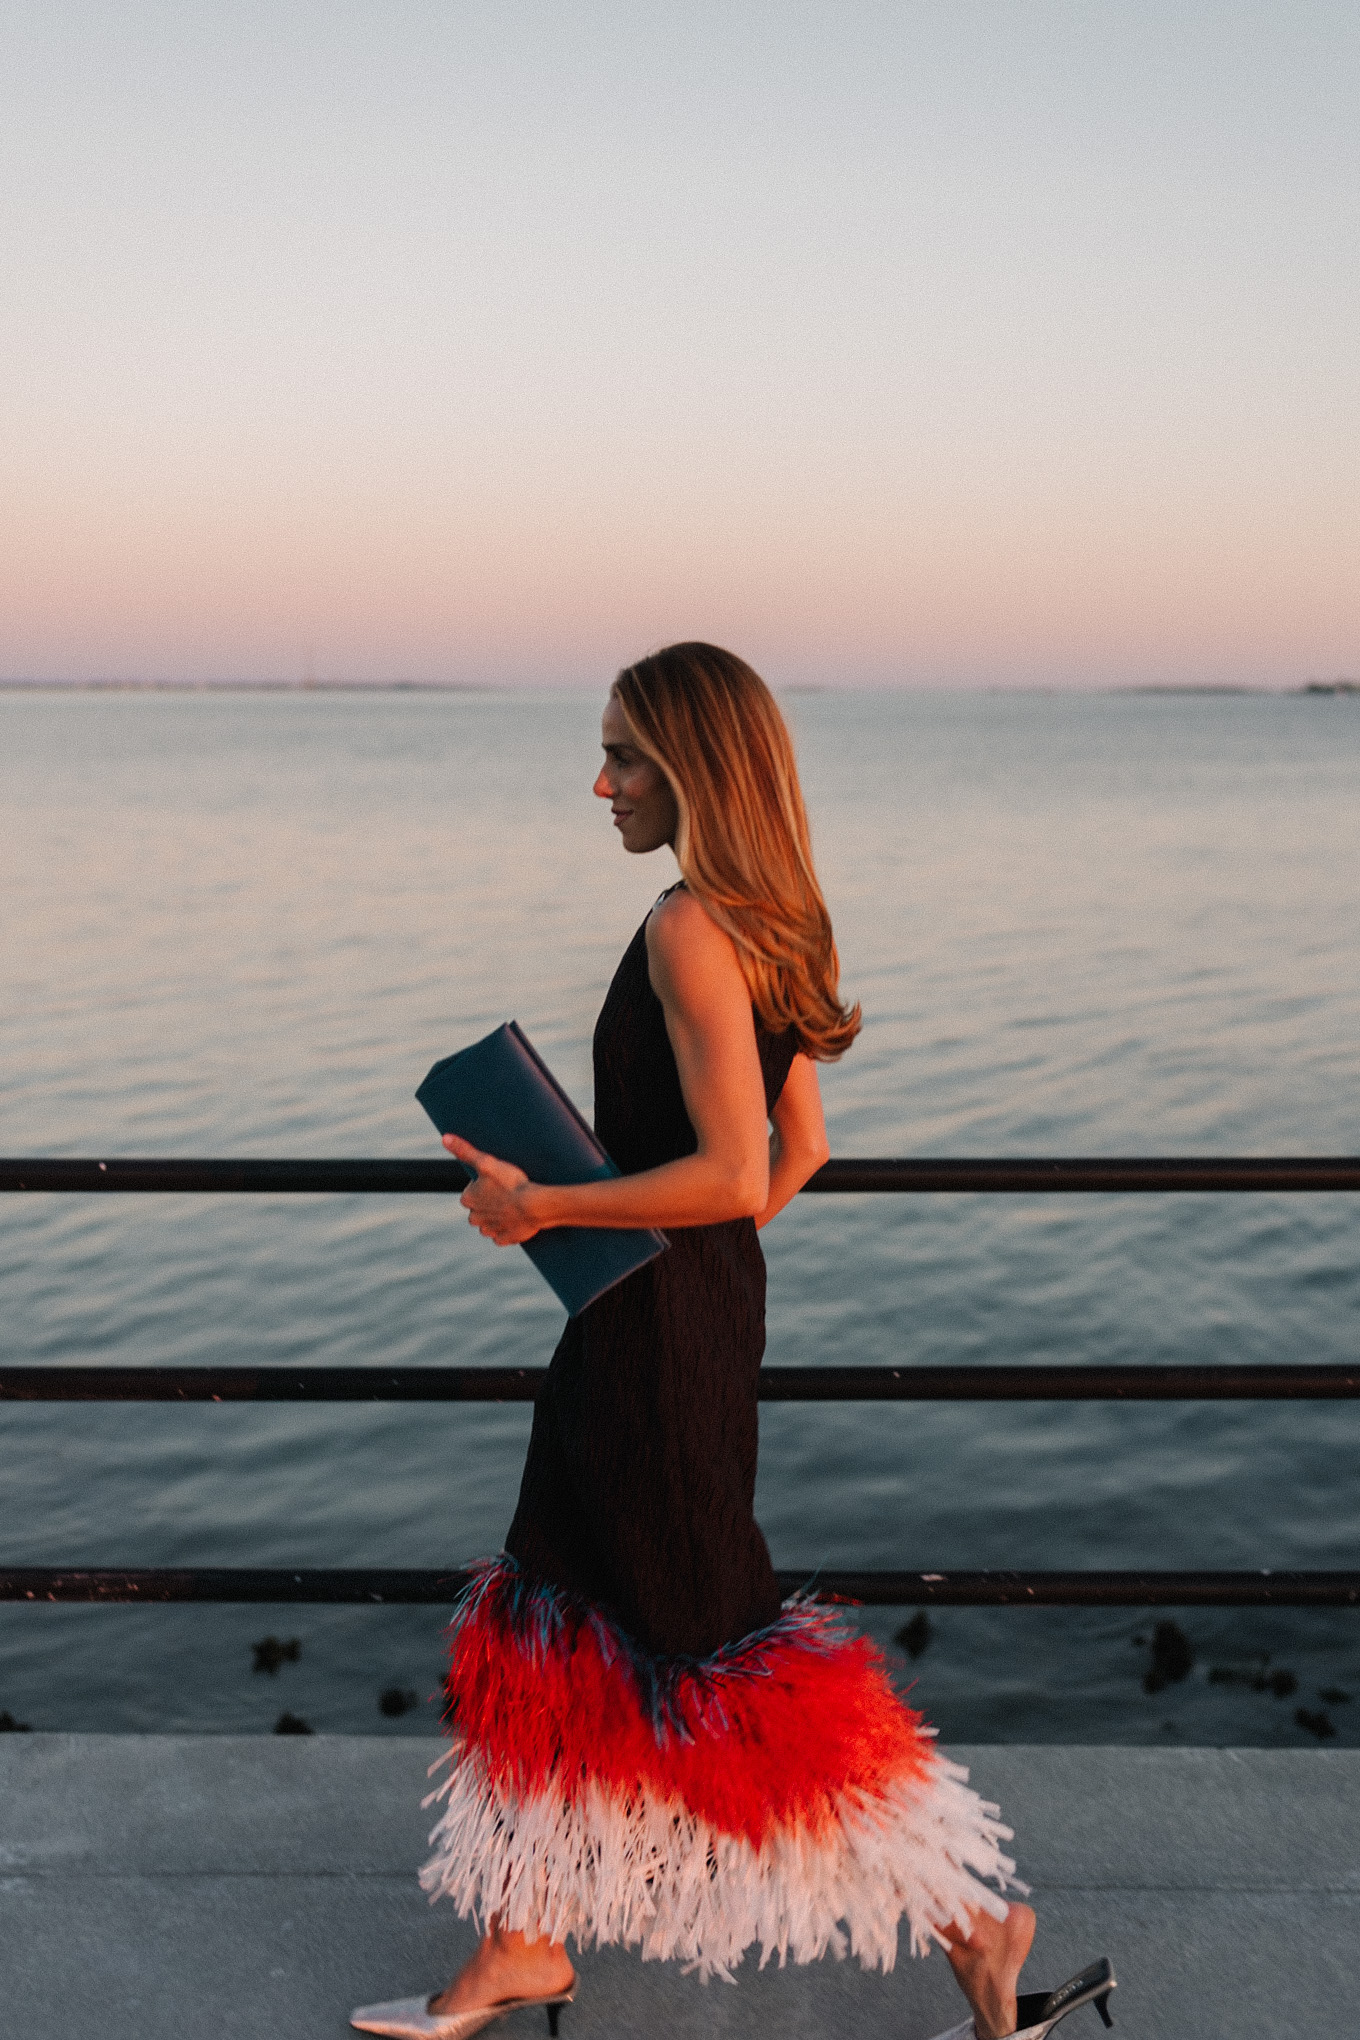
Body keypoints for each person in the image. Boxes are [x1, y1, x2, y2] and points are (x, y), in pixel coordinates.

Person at [351, 645, 1112, 2040]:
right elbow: (791, 1158)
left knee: (721, 1658)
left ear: (696, 769)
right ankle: (522, 1938)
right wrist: (647, 1238)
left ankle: (976, 1922)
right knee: (554, 1619)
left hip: (649, 1338)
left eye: (625, 758)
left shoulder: (690, 929)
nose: (601, 783)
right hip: (669, 1319)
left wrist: (547, 1203)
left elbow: (726, 1166)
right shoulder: (769, 923)